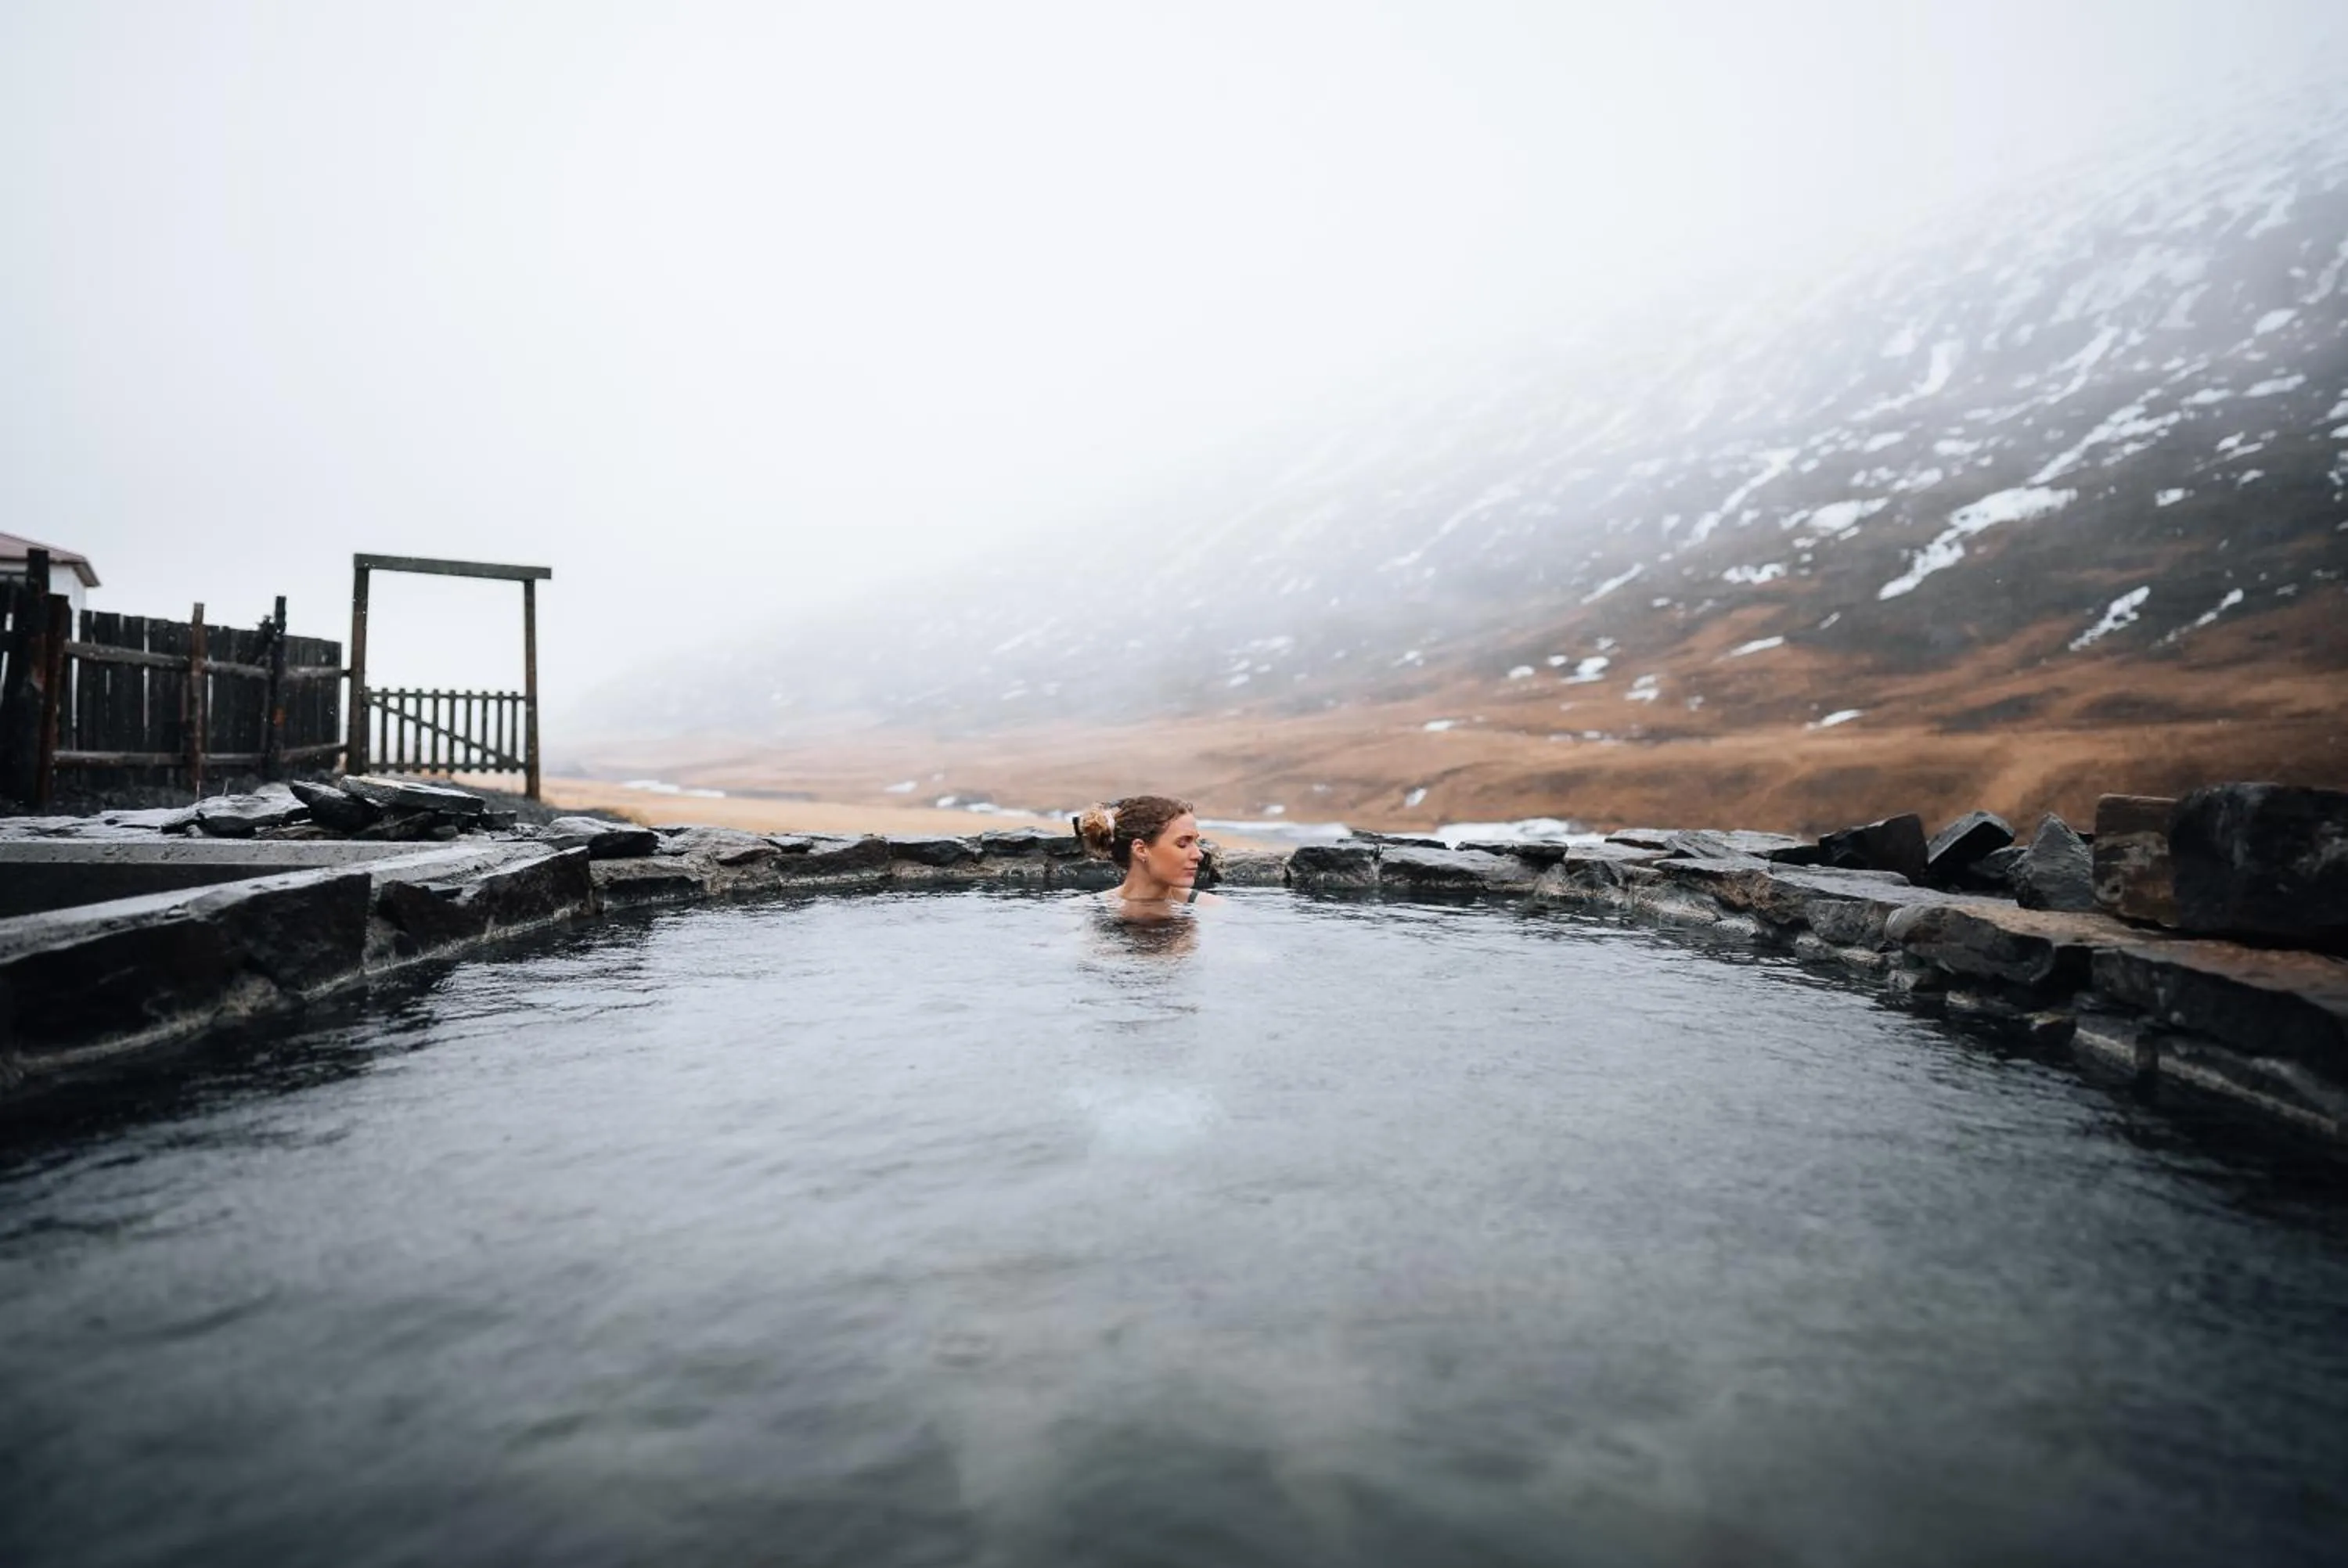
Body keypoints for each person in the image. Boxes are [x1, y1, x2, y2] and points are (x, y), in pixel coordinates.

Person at [1075, 795, 1224, 912]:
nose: (1199, 855)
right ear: (1140, 850)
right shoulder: (1085, 910)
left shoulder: (1211, 908)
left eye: (1195, 842)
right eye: (1183, 844)